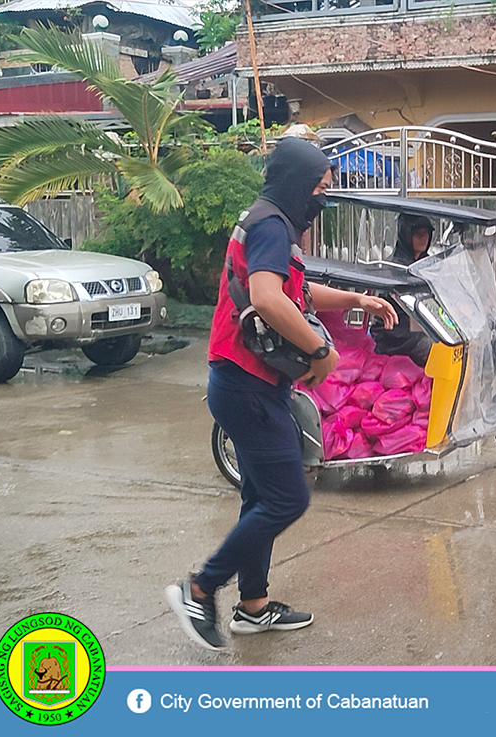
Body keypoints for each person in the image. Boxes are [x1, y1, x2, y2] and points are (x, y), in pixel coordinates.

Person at [165, 137, 398, 651]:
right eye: (320, 187)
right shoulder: (272, 224)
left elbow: (298, 292)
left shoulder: (270, 222)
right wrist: (321, 351)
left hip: (243, 381)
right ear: (297, 183)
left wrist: (358, 298)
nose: (323, 198)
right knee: (288, 498)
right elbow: (269, 299)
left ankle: (252, 607)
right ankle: (200, 587)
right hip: (247, 383)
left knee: (260, 496)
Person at [370, 214, 435, 367]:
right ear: (406, 234)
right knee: (437, 355)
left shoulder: (429, 265)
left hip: (422, 329)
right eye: (417, 233)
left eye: (426, 233)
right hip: (397, 336)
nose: (423, 237)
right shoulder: (396, 268)